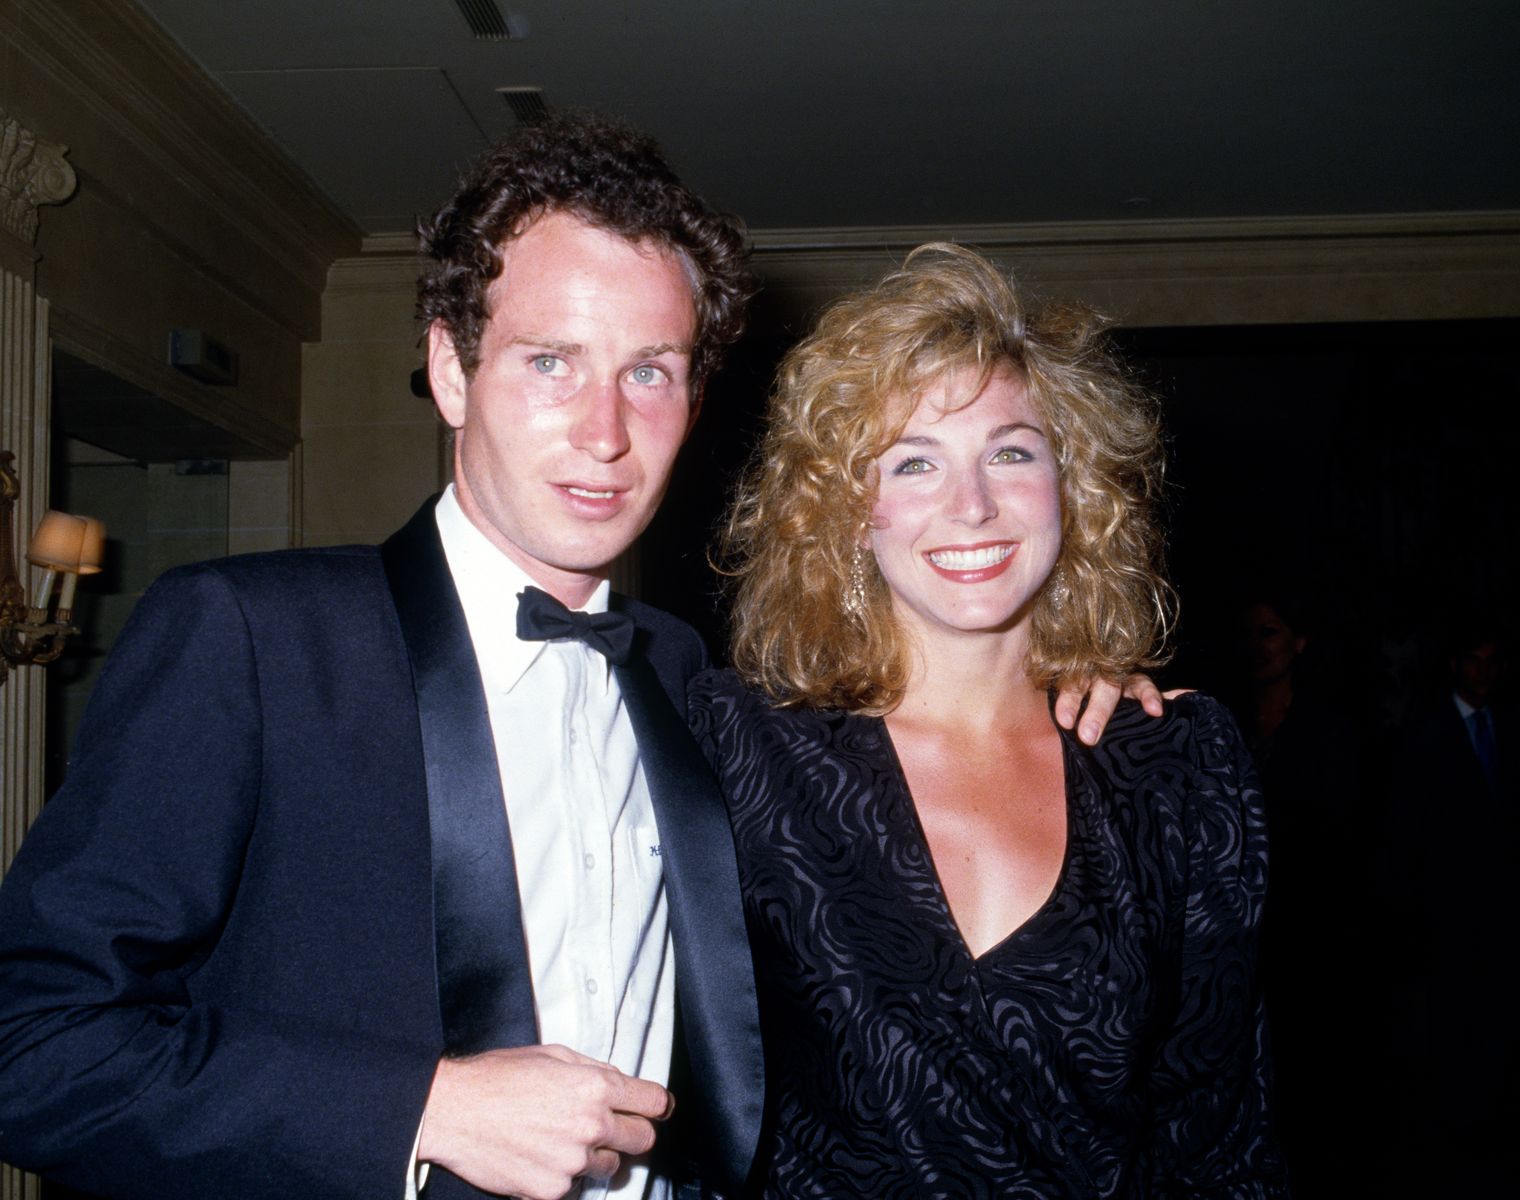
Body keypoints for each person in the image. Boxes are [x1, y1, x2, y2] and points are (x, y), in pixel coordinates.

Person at [0, 113, 763, 1200]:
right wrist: (423, 1107)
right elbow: (32, 1046)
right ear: (451, 372)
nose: (605, 431)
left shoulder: (683, 671)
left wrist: (1076, 685)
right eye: (551, 361)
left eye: (651, 372)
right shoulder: (249, 639)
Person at [690, 244, 1287, 1196]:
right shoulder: (736, 745)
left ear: (1072, 486)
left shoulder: (1181, 765)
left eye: (1011, 452)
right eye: (914, 463)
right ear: (849, 510)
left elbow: (1218, 1132)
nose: (972, 507)